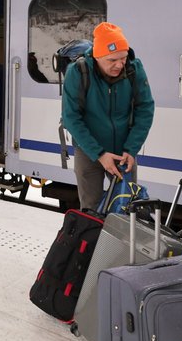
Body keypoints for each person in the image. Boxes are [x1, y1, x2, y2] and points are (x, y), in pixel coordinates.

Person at [61, 22, 155, 211]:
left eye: (123, 58)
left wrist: (131, 148)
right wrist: (99, 154)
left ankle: (120, 242)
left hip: (124, 153)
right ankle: (92, 241)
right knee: (90, 209)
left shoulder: (133, 69)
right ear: (97, 56)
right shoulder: (79, 72)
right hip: (89, 151)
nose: (120, 64)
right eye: (112, 60)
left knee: (126, 208)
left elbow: (145, 108)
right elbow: (71, 118)